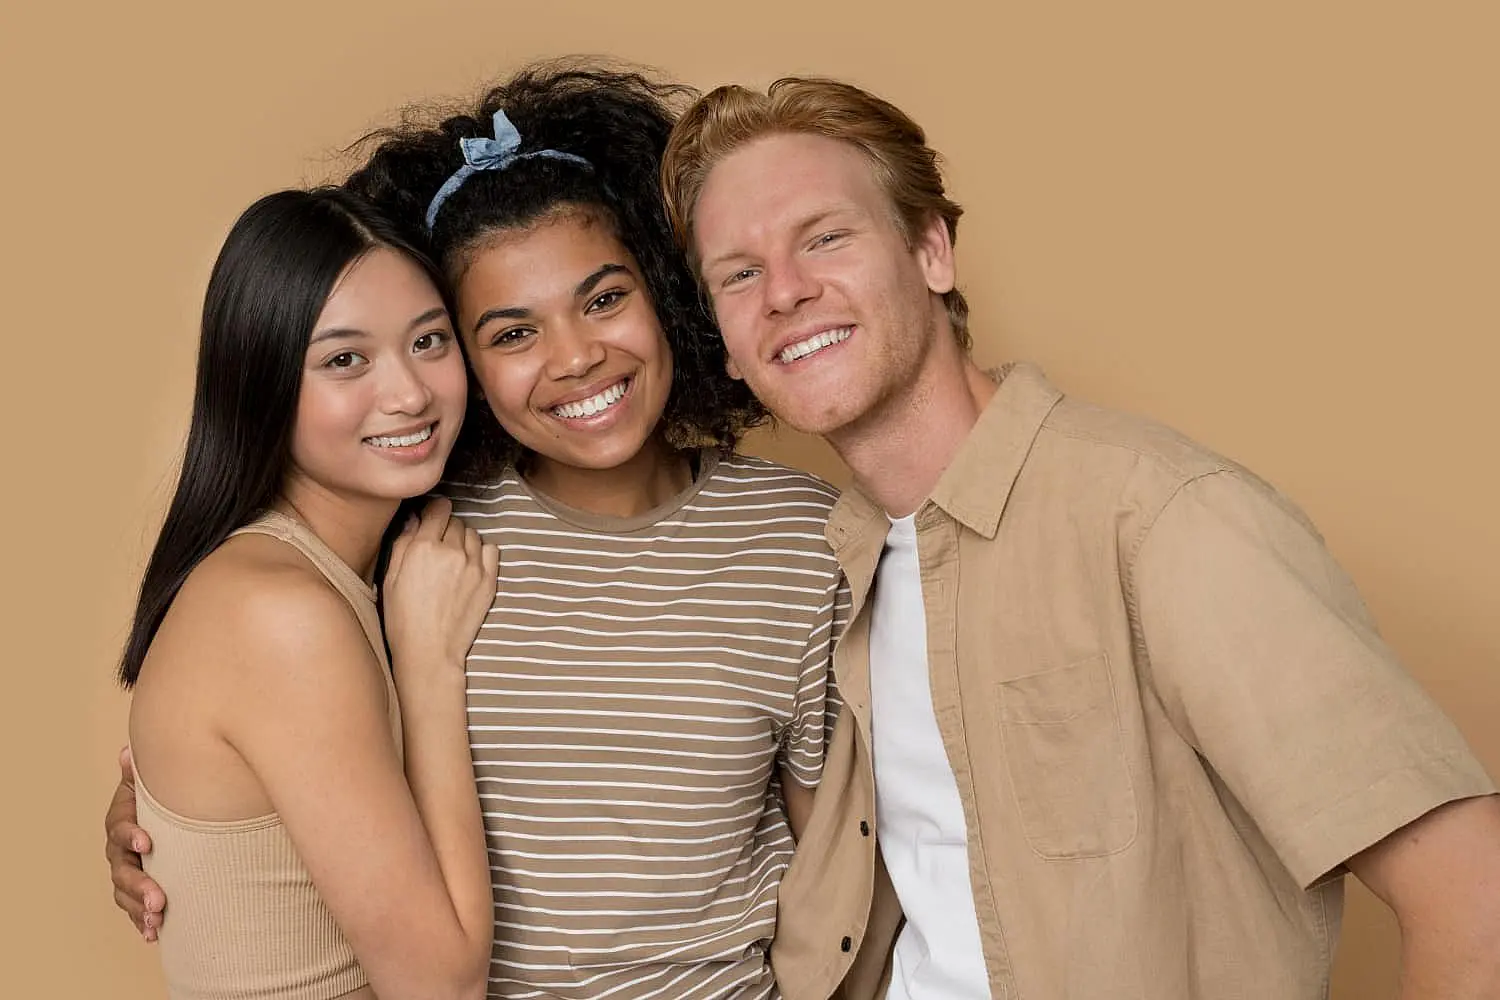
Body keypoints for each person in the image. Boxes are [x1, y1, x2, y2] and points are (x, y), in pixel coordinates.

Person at [656, 78, 1500, 1000]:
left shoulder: (1161, 517)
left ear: (932, 250)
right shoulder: (839, 564)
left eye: (825, 237)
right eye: (738, 273)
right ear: (728, 344)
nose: (784, 291)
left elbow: (1475, 898)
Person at [108, 64, 848, 1000]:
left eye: (605, 298)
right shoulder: (420, 547)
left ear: (667, 291)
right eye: (508, 333)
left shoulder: (801, 537)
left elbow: (852, 857)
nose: (576, 357)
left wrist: (179, 817)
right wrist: (168, 819)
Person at [119, 187, 497, 999]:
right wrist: (431, 666)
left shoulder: (319, 574)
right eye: (344, 359)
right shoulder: (282, 616)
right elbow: (441, 987)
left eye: (429, 341)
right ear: (259, 379)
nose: (409, 394)